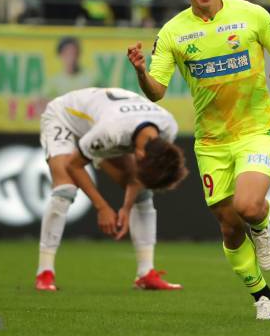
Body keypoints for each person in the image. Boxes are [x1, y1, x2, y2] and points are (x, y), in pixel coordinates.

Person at [127, 0, 270, 320]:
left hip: (256, 128)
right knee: (230, 227)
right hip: (212, 141)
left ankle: (263, 228)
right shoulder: (173, 33)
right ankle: (262, 296)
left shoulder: (251, 14)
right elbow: (157, 91)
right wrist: (140, 71)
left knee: (248, 207)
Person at [35, 87, 188, 292]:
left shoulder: (168, 126)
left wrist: (126, 207)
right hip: (65, 116)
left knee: (142, 194)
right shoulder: (111, 131)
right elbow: (74, 165)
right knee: (65, 189)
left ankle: (146, 273)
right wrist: (102, 207)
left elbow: (139, 177)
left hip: (107, 123)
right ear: (140, 156)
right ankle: (44, 272)